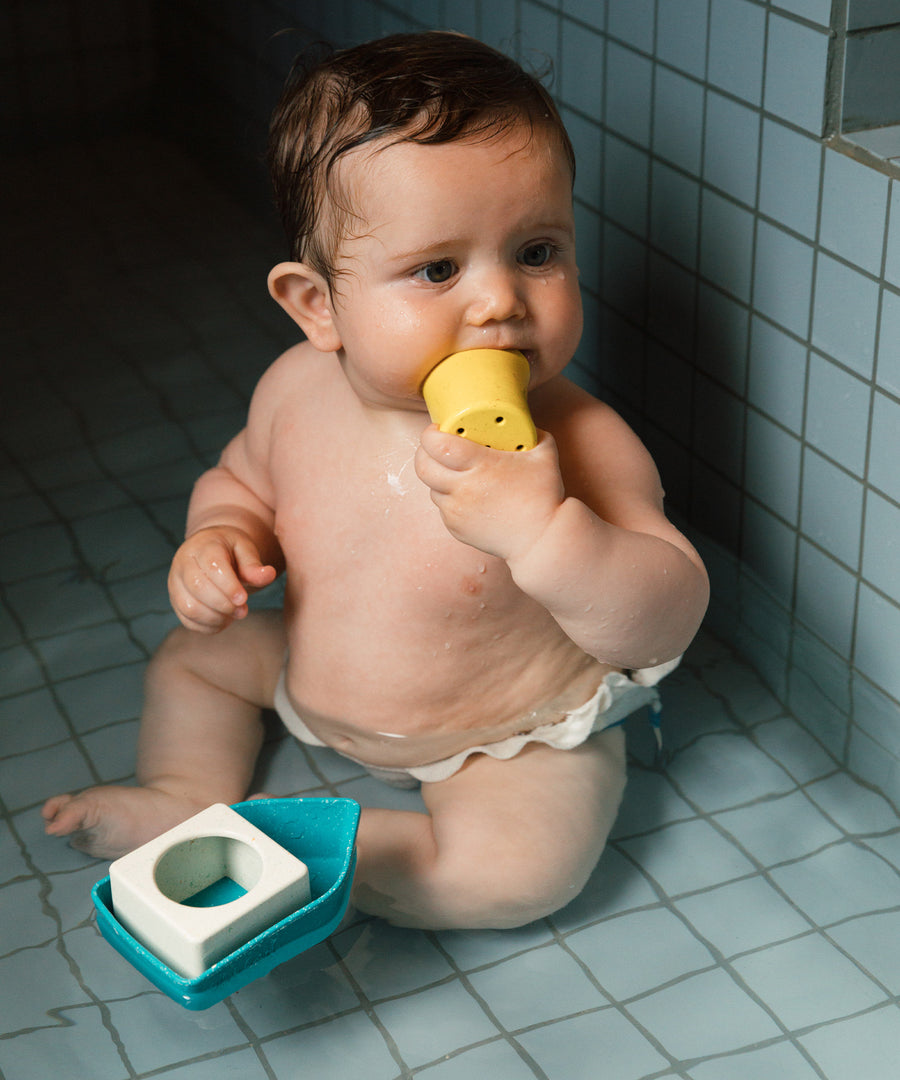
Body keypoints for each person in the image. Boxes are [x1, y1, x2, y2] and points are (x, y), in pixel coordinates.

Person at [43, 31, 708, 929]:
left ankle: (338, 858)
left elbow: (667, 611)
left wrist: (549, 536)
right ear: (320, 306)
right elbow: (239, 480)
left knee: (520, 875)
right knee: (195, 660)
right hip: (317, 678)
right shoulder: (294, 392)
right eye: (438, 269)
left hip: (504, 734)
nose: (501, 301)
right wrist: (220, 541)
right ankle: (181, 790)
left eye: (538, 252)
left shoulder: (579, 438)